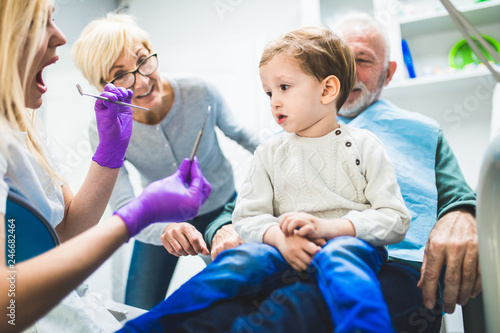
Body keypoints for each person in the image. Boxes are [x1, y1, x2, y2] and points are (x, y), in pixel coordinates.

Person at [120, 26, 413, 333]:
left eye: (284, 87)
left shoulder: (366, 146)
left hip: (348, 244)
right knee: (237, 263)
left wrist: (333, 229)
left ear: (327, 90)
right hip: (281, 248)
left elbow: (395, 219)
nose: (274, 101)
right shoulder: (269, 152)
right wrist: (279, 238)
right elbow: (247, 218)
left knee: (340, 260)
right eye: (269, 93)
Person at [201, 13, 479, 332]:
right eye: (338, 58)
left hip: (392, 264)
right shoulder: (282, 139)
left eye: (361, 60)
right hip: (293, 260)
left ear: (387, 74)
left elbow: (460, 197)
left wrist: (461, 214)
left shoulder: (421, 133)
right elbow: (237, 211)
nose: (344, 71)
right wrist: (222, 230)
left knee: (302, 305)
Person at [0, 1, 211, 332]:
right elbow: (6, 307)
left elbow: (67, 232)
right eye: (39, 24)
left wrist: (110, 153)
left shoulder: (24, 127)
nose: (60, 37)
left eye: (54, 19)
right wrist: (137, 216)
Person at [71, 13, 260, 310]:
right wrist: (162, 230)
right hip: (159, 219)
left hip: (222, 208)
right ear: (102, 86)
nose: (143, 81)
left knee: (245, 296)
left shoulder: (199, 89)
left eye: (144, 60)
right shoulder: (104, 128)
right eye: (120, 74)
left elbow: (246, 137)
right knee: (137, 307)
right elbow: (123, 205)